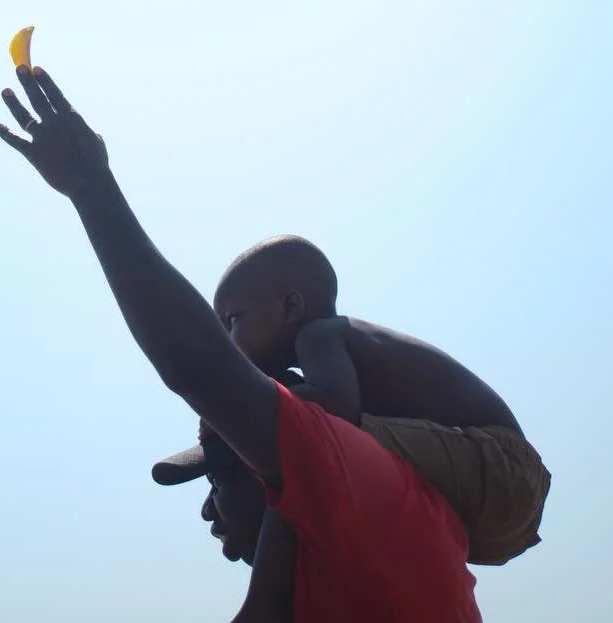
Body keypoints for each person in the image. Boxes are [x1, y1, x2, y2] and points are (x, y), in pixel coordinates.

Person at [0, 65, 482, 622]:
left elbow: (200, 367)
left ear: (266, 459)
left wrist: (90, 187)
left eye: (222, 477)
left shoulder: (354, 480)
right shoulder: (321, 570)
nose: (207, 512)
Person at [149, 235, 551, 617]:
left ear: (290, 307)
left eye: (233, 322)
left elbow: (332, 411)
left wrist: (230, 409)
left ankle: (265, 598)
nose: (230, 342)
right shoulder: (333, 357)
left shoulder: (321, 337)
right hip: (491, 511)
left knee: (316, 444)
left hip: (500, 461)